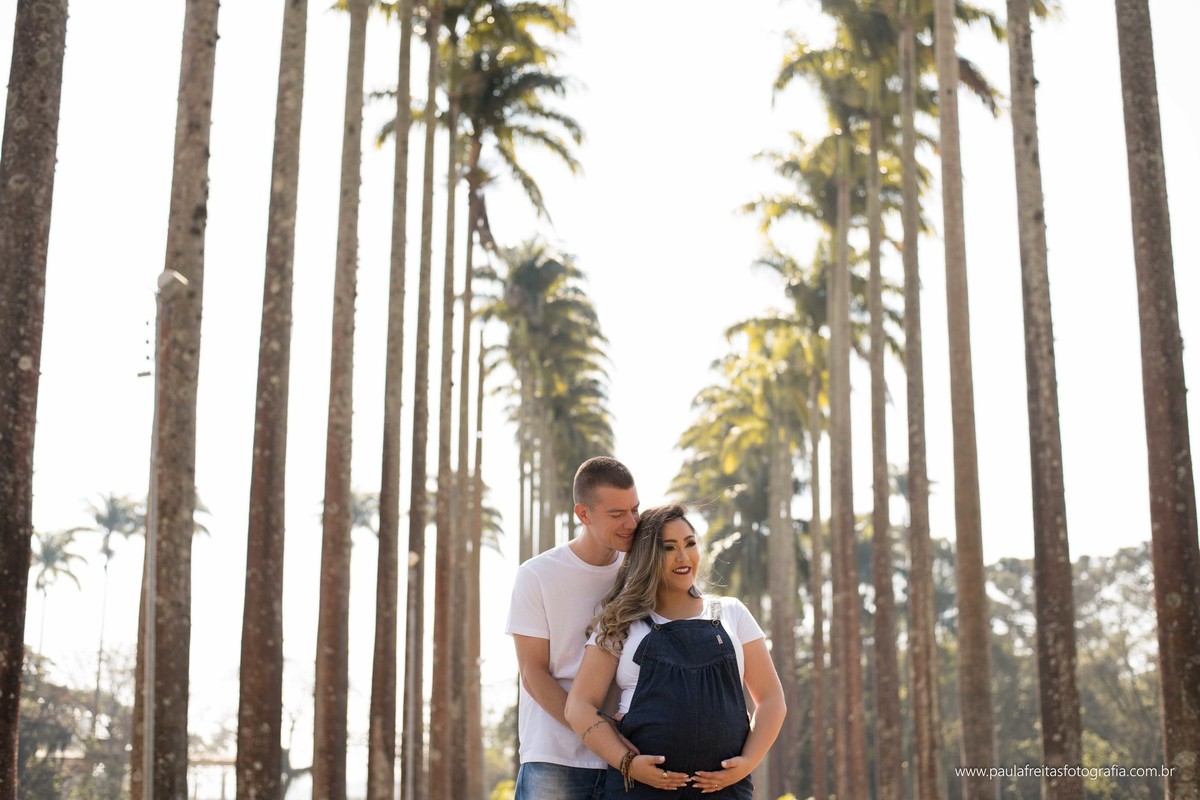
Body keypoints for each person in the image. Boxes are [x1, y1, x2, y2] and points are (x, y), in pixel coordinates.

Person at [565, 504, 785, 798]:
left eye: (690, 544)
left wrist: (747, 763)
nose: (683, 557)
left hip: (724, 791)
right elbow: (578, 706)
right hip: (640, 790)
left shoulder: (732, 612)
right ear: (646, 556)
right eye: (668, 548)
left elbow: (772, 700)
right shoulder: (621, 621)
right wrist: (627, 763)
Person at [505, 456, 642, 800]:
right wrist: (596, 732)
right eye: (616, 514)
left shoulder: (640, 575)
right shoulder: (537, 575)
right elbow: (534, 673)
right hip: (554, 758)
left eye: (634, 510)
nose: (631, 523)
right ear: (583, 514)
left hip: (627, 761)